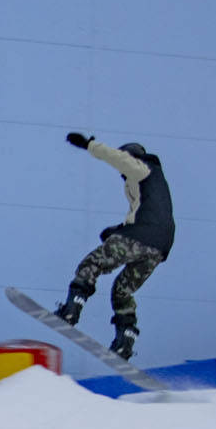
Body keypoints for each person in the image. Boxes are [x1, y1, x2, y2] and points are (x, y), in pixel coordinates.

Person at [54, 132, 175, 359]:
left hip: (142, 236)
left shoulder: (142, 168)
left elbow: (116, 157)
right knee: (122, 290)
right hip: (159, 247)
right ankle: (125, 339)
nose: (123, 175)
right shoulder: (157, 185)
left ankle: (72, 308)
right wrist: (117, 231)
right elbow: (147, 216)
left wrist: (89, 145)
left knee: (92, 263)